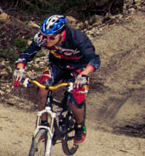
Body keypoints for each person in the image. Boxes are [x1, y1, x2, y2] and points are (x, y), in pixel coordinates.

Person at [15, 15, 100, 144]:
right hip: (57, 65)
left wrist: (84, 75)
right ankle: (43, 125)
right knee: (43, 89)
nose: (47, 40)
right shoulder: (42, 38)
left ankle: (79, 126)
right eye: (44, 36)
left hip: (79, 68)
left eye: (51, 38)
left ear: (62, 34)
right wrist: (20, 69)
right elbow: (27, 54)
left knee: (74, 101)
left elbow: (94, 59)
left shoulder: (78, 38)